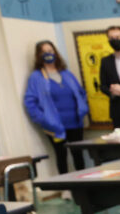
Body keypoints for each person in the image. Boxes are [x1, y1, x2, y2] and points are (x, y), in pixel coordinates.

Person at [24, 41, 89, 174]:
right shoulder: (36, 77)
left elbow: (81, 93)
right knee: (61, 155)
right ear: (39, 55)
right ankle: (66, 188)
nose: (48, 53)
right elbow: (30, 101)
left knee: (78, 155)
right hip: (55, 126)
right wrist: (43, 119)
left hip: (75, 122)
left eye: (50, 50)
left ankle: (86, 187)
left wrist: (83, 109)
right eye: (44, 51)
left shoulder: (66, 73)